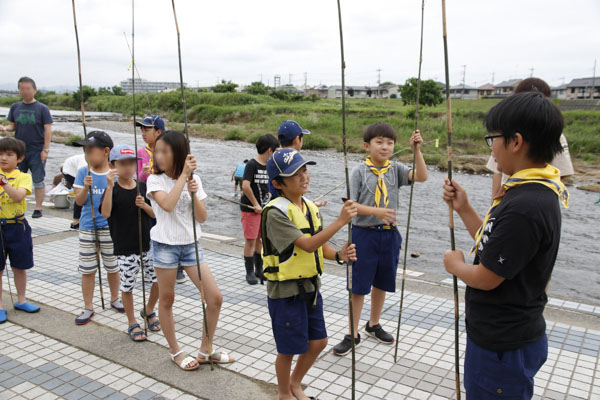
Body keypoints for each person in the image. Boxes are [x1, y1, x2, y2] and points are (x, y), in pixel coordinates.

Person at [442, 92, 568, 399]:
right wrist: (465, 208)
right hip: (506, 338)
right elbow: (494, 247)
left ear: (516, 141)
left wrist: (455, 265)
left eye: (493, 138)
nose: (492, 149)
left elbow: (488, 276)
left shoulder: (526, 204)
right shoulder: (531, 191)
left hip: (503, 346)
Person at [262, 148, 357, 400]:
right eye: (295, 174)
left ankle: (295, 383)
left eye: (305, 169)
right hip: (286, 293)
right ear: (278, 184)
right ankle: (284, 394)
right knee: (288, 349)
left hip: (312, 288)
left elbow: (320, 246)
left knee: (319, 342)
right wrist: (341, 221)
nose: (304, 176)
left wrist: (339, 255)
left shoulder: (311, 206)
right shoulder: (274, 212)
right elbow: (306, 244)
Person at [333, 123, 428, 356]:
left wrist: (417, 150)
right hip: (363, 235)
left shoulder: (395, 168)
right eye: (379, 142)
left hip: (389, 235)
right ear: (367, 145)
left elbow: (422, 176)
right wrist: (377, 212)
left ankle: (373, 324)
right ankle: (352, 333)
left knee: (382, 282)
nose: (385, 147)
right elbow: (350, 205)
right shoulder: (358, 171)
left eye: (390, 142)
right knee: (358, 286)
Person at [146, 130, 234, 370]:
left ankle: (206, 350)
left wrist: (194, 193)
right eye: (158, 151)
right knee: (167, 299)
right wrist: (183, 177)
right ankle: (176, 351)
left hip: (191, 246)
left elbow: (202, 217)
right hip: (165, 245)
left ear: (179, 153)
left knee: (215, 297)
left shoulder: (195, 179)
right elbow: (166, 205)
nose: (159, 156)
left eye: (165, 151)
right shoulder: (154, 181)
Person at [100, 144, 160, 342]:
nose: (128, 168)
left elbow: (156, 215)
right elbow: (106, 213)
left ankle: (149, 310)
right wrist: (109, 186)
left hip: (149, 245)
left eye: (132, 163)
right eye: (122, 163)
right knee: (127, 286)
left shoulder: (143, 188)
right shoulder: (113, 189)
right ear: (112, 165)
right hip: (125, 249)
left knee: (157, 281)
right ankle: (132, 321)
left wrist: (144, 205)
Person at [486, 77, 574, 198]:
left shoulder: (554, 135)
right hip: (507, 198)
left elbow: (562, 172)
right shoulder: (505, 134)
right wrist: (495, 200)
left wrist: (536, 189)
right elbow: (497, 171)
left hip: (528, 197)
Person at [72, 131, 123, 325]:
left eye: (90, 151)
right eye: (85, 151)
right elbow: (79, 201)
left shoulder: (114, 173)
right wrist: (85, 187)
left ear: (105, 152)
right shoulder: (82, 172)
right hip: (87, 226)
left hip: (110, 228)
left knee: (113, 266)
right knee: (88, 269)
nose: (87, 156)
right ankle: (88, 306)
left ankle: (115, 298)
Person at [0, 137, 40, 323]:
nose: (3, 158)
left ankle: (21, 300)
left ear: (20, 158)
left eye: (9, 154)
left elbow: (17, 197)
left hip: (18, 226)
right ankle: (0, 306)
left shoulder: (24, 177)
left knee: (20, 267)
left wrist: (4, 183)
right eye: (0, 154)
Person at [0, 77, 53, 218]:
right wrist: (4, 128)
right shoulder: (15, 107)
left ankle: (38, 208)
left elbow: (48, 129)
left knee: (38, 179)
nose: (24, 91)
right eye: (21, 89)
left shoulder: (42, 108)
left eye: (27, 88)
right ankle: (15, 205)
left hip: (37, 150)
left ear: (34, 90)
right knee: (14, 178)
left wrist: (45, 149)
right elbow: (12, 126)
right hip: (17, 151)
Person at [241, 135, 279, 285]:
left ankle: (259, 269)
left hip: (264, 210)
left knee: (261, 240)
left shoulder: (270, 167)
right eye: (275, 151)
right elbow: (245, 186)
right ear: (270, 150)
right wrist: (256, 204)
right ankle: (249, 272)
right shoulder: (252, 164)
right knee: (250, 240)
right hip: (250, 209)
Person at [61, 153, 87, 229]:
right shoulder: (84, 163)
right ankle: (76, 221)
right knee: (80, 194)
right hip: (69, 170)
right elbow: (81, 175)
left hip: (73, 167)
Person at [136, 115, 165, 183]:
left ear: (158, 132)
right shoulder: (140, 152)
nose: (143, 134)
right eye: (142, 131)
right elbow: (138, 179)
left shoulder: (167, 151)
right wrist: (143, 173)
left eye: (146, 130)